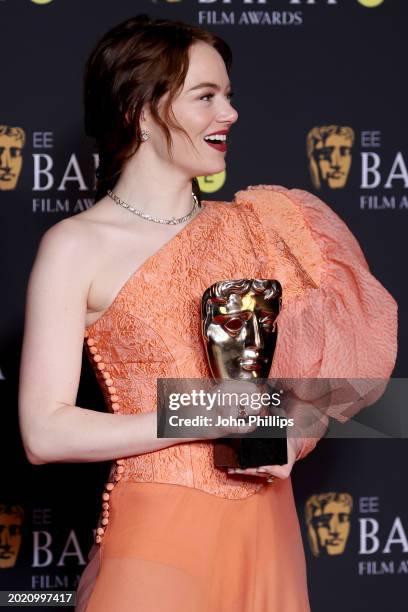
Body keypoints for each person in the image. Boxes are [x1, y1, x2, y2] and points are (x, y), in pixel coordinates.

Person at [18, 14, 398, 612]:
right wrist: (211, 410)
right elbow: (44, 432)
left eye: (228, 94)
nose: (230, 113)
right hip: (161, 532)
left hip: (268, 529)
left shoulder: (263, 226)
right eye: (206, 97)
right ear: (142, 112)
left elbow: (324, 381)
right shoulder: (76, 245)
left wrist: (289, 420)